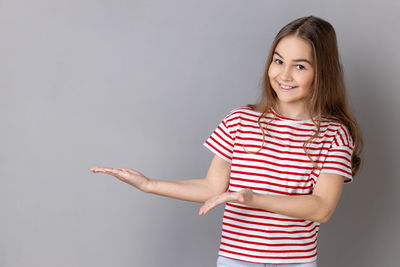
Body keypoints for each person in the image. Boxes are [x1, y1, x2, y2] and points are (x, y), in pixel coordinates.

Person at [90, 15, 363, 267]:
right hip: (236, 260)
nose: (283, 75)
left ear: (322, 73)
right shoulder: (240, 121)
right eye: (278, 61)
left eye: (300, 66)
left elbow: (322, 208)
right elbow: (213, 187)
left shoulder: (334, 134)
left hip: (295, 262)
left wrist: (252, 198)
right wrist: (149, 185)